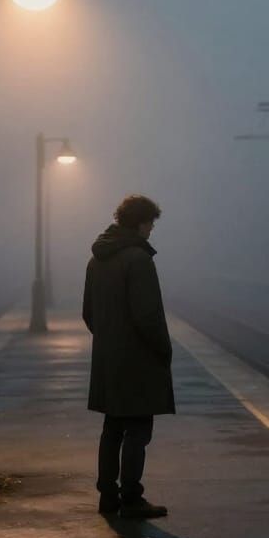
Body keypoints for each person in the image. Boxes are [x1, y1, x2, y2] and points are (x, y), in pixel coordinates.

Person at [82, 194, 174, 518]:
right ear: (140, 223)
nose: (151, 230)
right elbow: (148, 317)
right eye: (150, 224)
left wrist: (109, 339)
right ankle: (132, 498)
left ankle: (108, 497)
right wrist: (163, 349)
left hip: (109, 359)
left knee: (112, 428)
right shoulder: (138, 260)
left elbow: (88, 313)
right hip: (137, 360)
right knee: (138, 429)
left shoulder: (97, 260)